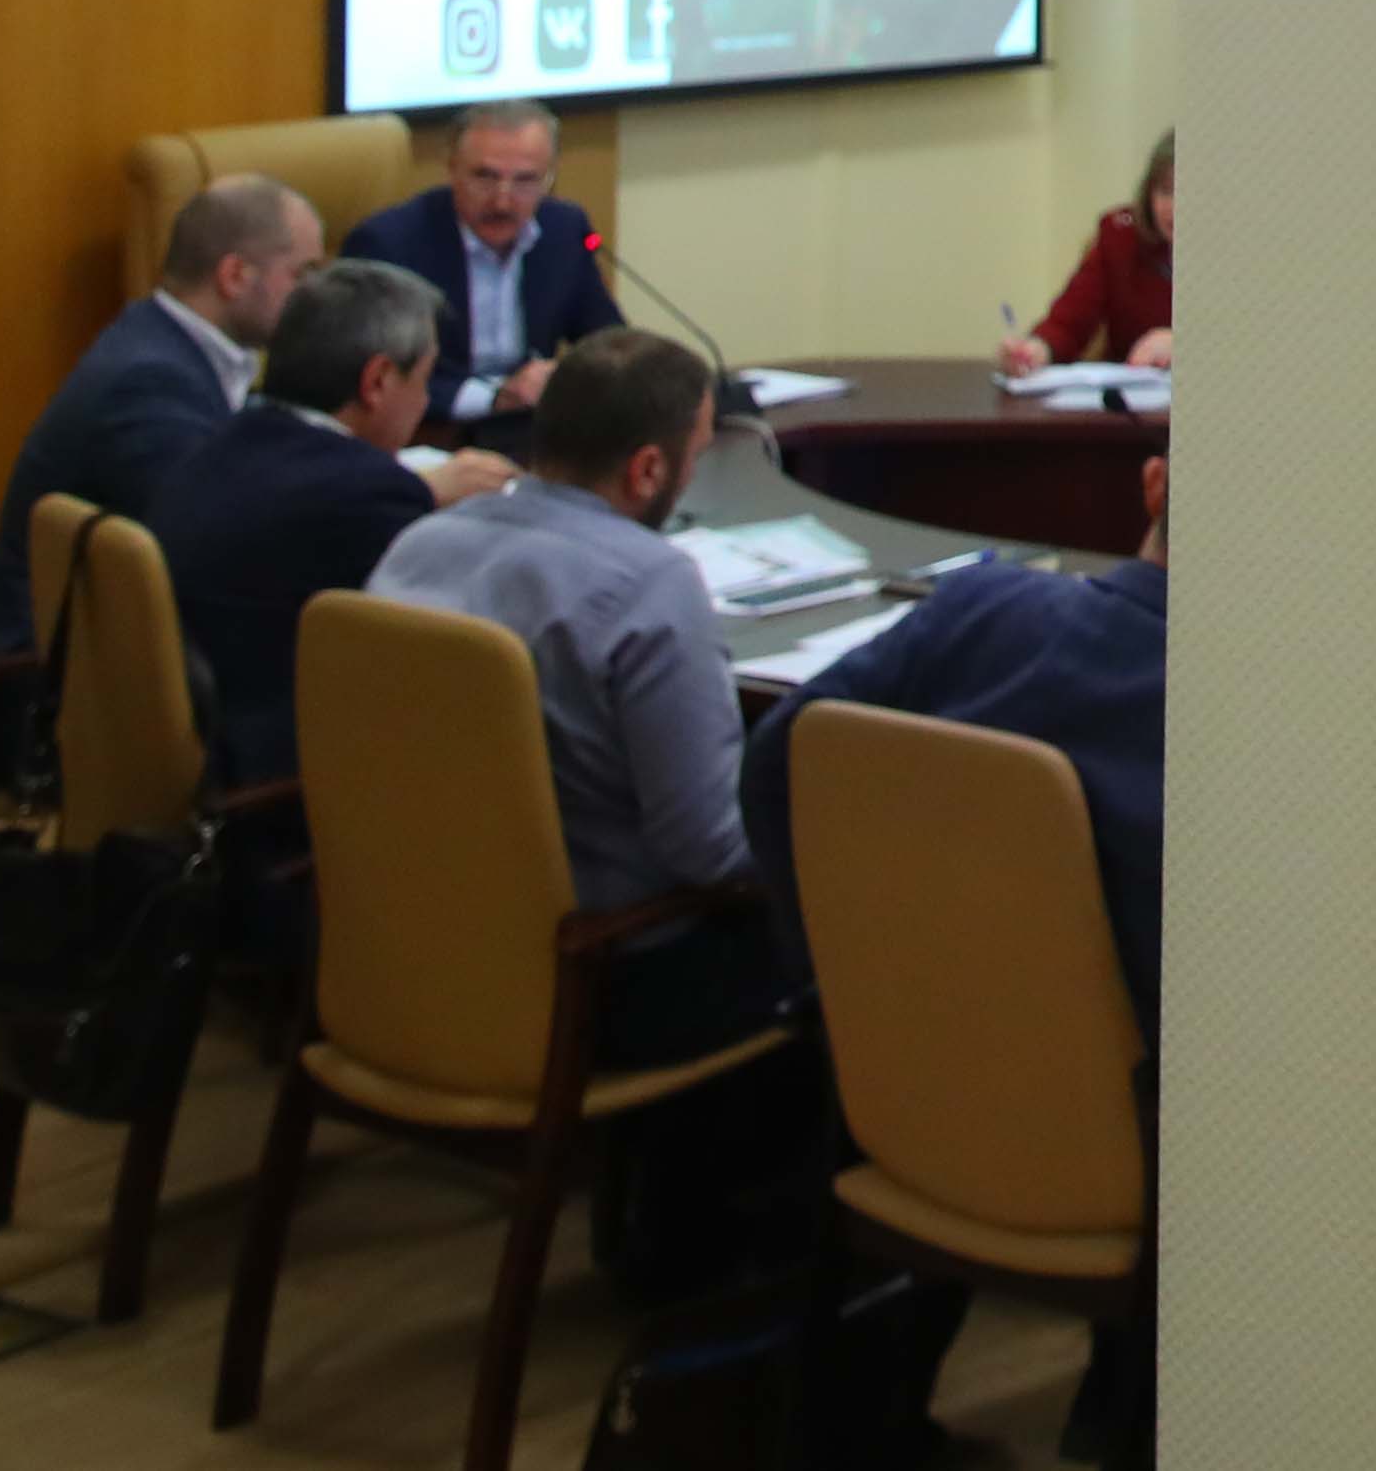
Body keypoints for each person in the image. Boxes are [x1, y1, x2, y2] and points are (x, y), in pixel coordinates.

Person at [742, 452, 1172, 1469]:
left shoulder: (976, 614)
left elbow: (777, 766)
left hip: (897, 1102)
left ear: (1154, 484)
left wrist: (835, 989)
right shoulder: (1268, 732)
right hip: (1139, 1171)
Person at [369, 329, 767, 1062]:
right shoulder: (651, 585)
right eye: (697, 454)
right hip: (589, 973)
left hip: (402, 946)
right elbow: (708, 850)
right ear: (648, 469)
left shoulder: (417, 545)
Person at [144, 257, 515, 784]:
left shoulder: (227, 436)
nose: (424, 400)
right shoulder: (367, 493)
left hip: (192, 727)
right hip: (273, 769)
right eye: (424, 379)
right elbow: (435, 660)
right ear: (377, 381)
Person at [0, 175, 319, 650]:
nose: (313, 297)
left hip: (103, 636)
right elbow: (214, 547)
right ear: (235, 276)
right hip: (60, 665)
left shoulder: (158, 336)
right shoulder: (150, 384)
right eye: (302, 274)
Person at [345, 96, 619, 421]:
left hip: (531, 424)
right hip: (433, 427)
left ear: (549, 179)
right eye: (485, 177)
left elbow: (608, 341)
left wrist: (565, 379)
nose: (503, 202)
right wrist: (493, 399)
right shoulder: (389, 243)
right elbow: (369, 373)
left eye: (525, 181)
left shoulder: (564, 229)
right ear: (452, 170)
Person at [1007, 129, 1178, 376]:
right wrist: (1036, 350)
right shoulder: (1121, 238)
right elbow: (1067, 324)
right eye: (1166, 191)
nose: (1174, 206)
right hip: (1129, 395)